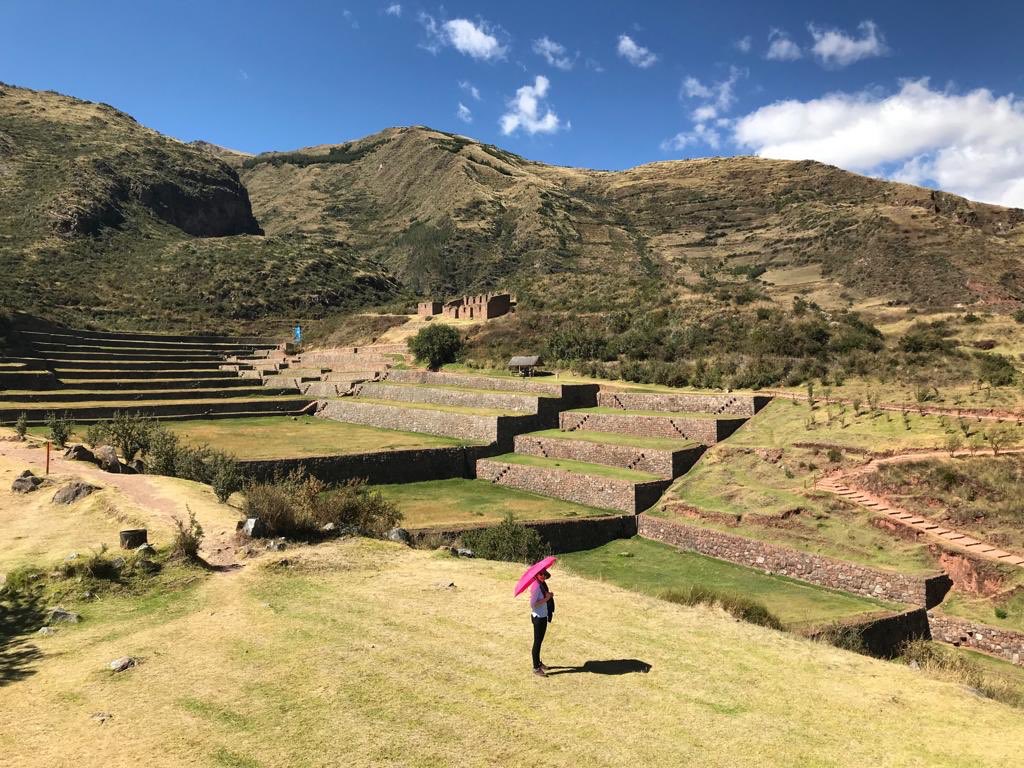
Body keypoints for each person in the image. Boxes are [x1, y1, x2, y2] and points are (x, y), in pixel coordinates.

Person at [529, 569, 554, 677]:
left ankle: (538, 663)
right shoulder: (535, 586)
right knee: (537, 642)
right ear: (536, 574)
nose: (543, 576)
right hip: (538, 618)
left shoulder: (541, 584)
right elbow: (533, 604)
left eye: (544, 574)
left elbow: (543, 596)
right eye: (541, 574)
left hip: (543, 616)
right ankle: (536, 668)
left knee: (540, 641)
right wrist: (547, 598)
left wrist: (548, 595)